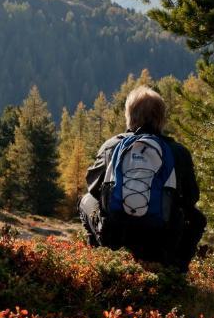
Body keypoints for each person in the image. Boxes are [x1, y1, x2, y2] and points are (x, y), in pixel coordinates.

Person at [78, 86, 206, 272]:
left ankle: (100, 261)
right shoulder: (178, 152)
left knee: (86, 200)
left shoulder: (112, 146)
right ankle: (175, 269)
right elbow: (191, 198)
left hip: (116, 237)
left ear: (129, 115)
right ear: (161, 117)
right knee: (197, 218)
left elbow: (93, 187)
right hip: (161, 241)